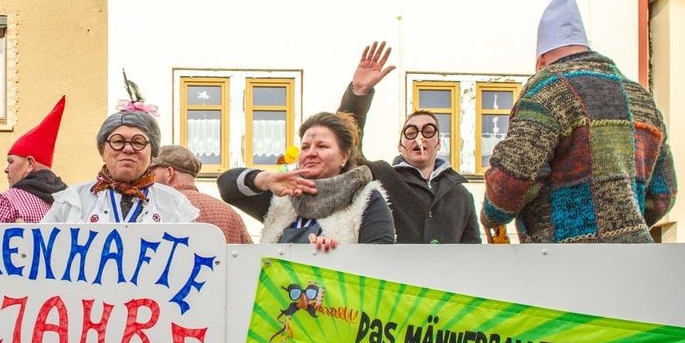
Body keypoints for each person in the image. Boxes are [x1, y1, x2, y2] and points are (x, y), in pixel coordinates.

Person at [480, 0, 677, 243]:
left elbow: (513, 179)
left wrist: (491, 215)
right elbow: (663, 193)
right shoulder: (642, 98)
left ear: (541, 60)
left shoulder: (548, 89)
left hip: (562, 260)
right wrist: (626, 225)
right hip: (632, 260)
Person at [336, 42, 481, 244]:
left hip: (445, 276)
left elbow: (472, 251)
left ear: (438, 143)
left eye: (428, 131)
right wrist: (358, 93)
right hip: (394, 275)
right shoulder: (383, 176)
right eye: (411, 132)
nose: (419, 137)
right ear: (400, 145)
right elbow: (346, 151)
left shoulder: (461, 194)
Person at [218, 111, 395, 249]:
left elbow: (378, 262)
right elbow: (227, 186)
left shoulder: (366, 199)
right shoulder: (283, 196)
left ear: (344, 156)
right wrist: (265, 179)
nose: (310, 153)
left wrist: (339, 256)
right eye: (305, 147)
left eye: (322, 146)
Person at [42, 108, 199, 224]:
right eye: (118, 141)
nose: (128, 149)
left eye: (138, 142)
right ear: (103, 150)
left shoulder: (176, 205)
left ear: (152, 155)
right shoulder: (72, 200)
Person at [0, 96, 68, 223]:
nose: (6, 169)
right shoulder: (68, 202)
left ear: (30, 164)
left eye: (11, 162)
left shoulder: (7, 202)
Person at [151, 145, 252, 244]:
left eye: (151, 173)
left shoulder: (158, 207)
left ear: (169, 173)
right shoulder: (230, 213)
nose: (147, 179)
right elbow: (250, 256)